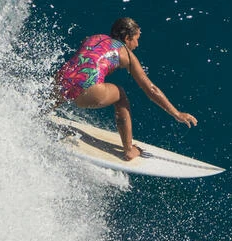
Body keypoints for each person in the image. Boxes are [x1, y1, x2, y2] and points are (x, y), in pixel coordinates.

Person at [54, 17, 197, 160]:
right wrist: (176, 113)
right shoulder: (126, 53)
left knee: (71, 81)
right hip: (89, 90)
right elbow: (151, 89)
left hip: (61, 80)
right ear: (127, 38)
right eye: (136, 39)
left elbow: (84, 63)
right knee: (120, 95)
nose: (137, 44)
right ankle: (129, 149)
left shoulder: (93, 37)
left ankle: (39, 114)